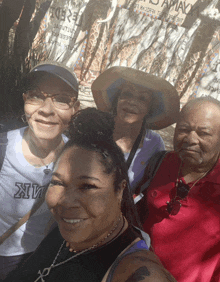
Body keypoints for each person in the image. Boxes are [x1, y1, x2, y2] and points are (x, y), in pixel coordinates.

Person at [5, 108, 177, 282]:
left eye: (87, 186)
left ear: (120, 190)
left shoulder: (135, 269)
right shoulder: (63, 233)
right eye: (57, 183)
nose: (65, 201)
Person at [0, 63, 80, 280]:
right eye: (36, 96)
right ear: (25, 100)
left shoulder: (77, 159)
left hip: (40, 260)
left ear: (75, 109)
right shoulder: (3, 148)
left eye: (62, 99)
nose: (46, 109)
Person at [140, 97, 220, 282]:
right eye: (184, 129)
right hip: (138, 273)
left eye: (204, 133)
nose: (191, 139)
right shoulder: (161, 162)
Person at [92, 66, 179, 192]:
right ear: (117, 99)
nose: (132, 102)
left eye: (142, 99)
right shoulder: (96, 130)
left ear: (150, 109)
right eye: (127, 94)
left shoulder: (154, 143)